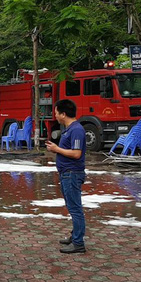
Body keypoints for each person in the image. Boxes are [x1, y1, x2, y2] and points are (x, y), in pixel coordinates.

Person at [46, 99, 87, 254]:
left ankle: (78, 243)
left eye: (56, 113)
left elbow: (76, 154)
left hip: (72, 174)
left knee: (75, 209)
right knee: (72, 207)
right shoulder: (70, 129)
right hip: (66, 174)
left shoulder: (76, 130)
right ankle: (75, 236)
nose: (55, 116)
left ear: (63, 114)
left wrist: (57, 149)